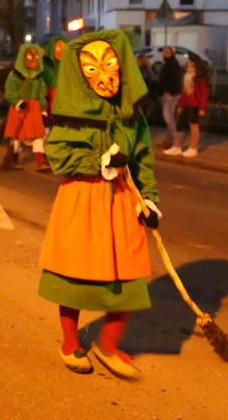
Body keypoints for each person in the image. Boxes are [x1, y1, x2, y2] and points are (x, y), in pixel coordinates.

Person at [37, 30, 159, 380]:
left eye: (110, 66)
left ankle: (108, 344)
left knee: (130, 274)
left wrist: (149, 198)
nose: (103, 76)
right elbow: (58, 154)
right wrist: (98, 160)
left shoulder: (131, 115)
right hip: (82, 198)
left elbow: (144, 160)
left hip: (121, 199)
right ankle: (69, 341)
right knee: (73, 273)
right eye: (91, 69)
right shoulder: (70, 112)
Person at [3, 43, 49, 171]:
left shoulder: (38, 78)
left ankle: (40, 163)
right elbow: (9, 92)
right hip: (19, 108)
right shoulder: (15, 76)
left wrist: (43, 109)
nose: (33, 60)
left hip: (33, 108)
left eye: (35, 57)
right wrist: (17, 102)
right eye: (30, 57)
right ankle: (15, 160)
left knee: (38, 135)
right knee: (17, 136)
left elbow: (42, 93)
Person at [171, 56, 209, 157]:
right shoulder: (187, 75)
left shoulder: (199, 77)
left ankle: (193, 148)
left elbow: (204, 93)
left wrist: (202, 108)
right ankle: (177, 146)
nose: (188, 64)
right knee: (179, 124)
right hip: (187, 104)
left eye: (191, 63)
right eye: (188, 63)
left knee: (194, 126)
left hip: (195, 105)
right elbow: (184, 92)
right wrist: (180, 105)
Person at [158, 47, 183, 154]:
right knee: (169, 116)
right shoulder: (169, 64)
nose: (164, 54)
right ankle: (169, 139)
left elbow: (172, 78)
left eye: (166, 52)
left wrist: (168, 90)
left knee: (168, 116)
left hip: (170, 94)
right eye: (164, 52)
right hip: (169, 93)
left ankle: (174, 140)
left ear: (171, 54)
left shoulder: (172, 65)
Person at [41, 36, 68, 116]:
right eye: (57, 48)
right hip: (47, 97)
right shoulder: (44, 64)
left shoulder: (68, 66)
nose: (59, 51)